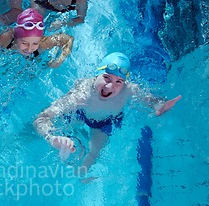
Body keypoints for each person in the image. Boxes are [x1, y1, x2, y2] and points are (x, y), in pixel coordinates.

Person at [33, 52, 182, 173]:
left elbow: (153, 101)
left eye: (119, 81)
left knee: (94, 154)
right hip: (80, 114)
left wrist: (160, 107)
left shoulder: (129, 90)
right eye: (106, 77)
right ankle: (73, 138)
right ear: (97, 74)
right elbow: (43, 118)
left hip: (105, 122)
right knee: (50, 137)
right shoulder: (81, 94)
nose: (110, 86)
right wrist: (50, 137)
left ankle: (79, 178)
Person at [0, 8, 73, 74]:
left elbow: (68, 39)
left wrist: (60, 60)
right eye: (24, 43)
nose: (29, 48)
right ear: (16, 36)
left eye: (35, 43)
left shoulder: (43, 44)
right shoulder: (7, 38)